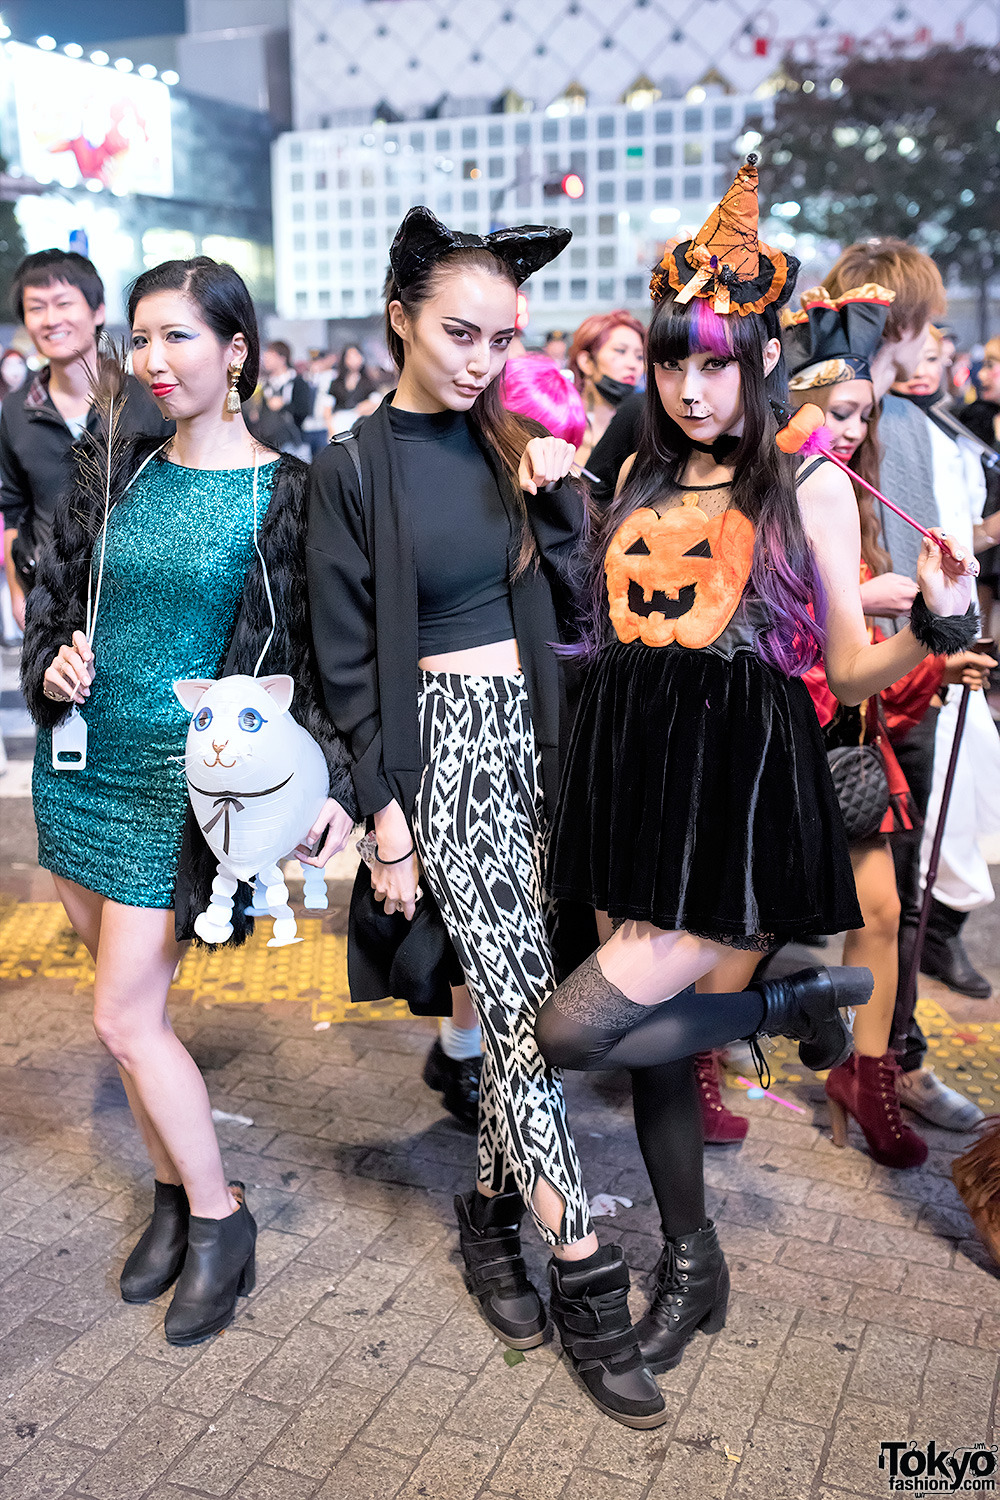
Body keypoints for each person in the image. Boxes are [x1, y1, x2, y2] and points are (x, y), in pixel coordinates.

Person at [533, 158, 979, 1376]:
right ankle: (692, 1265)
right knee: (664, 1044)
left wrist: (934, 629)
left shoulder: (808, 489)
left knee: (573, 1032)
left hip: (728, 790)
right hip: (634, 774)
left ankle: (781, 1008)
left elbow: (841, 670)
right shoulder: (634, 472)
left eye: (714, 362)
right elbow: (604, 625)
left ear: (757, 362)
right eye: (674, 361)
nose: (688, 386)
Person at [307, 206, 667, 1429]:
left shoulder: (510, 440)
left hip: (541, 743)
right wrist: (385, 816)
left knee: (525, 984)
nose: (478, 359)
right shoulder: (350, 469)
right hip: (443, 750)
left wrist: (562, 504)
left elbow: (576, 607)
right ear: (399, 315)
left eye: (501, 339)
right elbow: (347, 663)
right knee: (517, 1010)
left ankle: (488, 1217)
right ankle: (584, 1275)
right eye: (458, 330)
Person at [20, 256, 357, 1346]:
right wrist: (51, 664)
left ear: (237, 349)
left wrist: (337, 789)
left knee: (122, 1016)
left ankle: (219, 1216)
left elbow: (319, 656)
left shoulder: (290, 493)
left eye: (179, 337)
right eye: (145, 338)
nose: (156, 360)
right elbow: (55, 593)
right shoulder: (111, 464)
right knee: (135, 1020)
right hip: (79, 769)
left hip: (177, 790)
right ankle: (174, 1194)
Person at [785, 282, 994, 1166]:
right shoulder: (763, 484)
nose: (847, 429)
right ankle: (691, 1075)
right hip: (773, 730)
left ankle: (865, 1081)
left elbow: (855, 655)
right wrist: (855, 603)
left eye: (859, 415)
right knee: (739, 923)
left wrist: (931, 638)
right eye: (833, 411)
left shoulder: (852, 492)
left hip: (848, 735)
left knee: (880, 907)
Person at [1, 249, 170, 630]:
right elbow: (14, 510)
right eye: (36, 307)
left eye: (63, 303)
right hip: (51, 606)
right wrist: (16, 591)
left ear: (97, 311)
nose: (51, 320)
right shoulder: (15, 410)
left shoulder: (145, 399)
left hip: (139, 604)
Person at [568, 310, 645, 468]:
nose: (633, 364)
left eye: (639, 356)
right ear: (587, 362)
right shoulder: (561, 424)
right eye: (620, 351)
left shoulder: (644, 428)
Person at [245, 339, 313, 457]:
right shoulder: (265, 385)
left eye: (270, 356)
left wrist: (284, 405)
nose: (265, 360)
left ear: (282, 358)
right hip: (268, 443)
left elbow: (304, 410)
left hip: (291, 443)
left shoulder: (297, 382)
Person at [328, 342, 382, 429]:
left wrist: (358, 410)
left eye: (356, 355)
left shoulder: (368, 382)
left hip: (360, 423)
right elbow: (327, 407)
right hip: (339, 423)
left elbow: (376, 401)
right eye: (350, 356)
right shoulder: (336, 383)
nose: (353, 360)